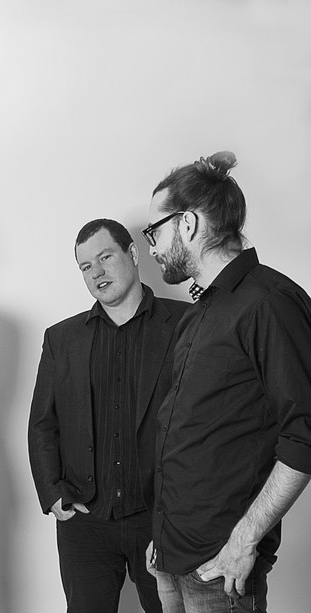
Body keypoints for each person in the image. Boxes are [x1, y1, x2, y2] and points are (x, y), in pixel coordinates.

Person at [143, 151, 311, 612]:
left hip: (221, 567)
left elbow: (305, 433)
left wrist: (244, 540)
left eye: (154, 231)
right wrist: (162, 534)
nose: (151, 247)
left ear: (188, 224)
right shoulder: (199, 312)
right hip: (171, 556)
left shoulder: (270, 302)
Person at [28, 218, 188, 613]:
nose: (97, 272)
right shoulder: (61, 338)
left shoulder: (187, 323)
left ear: (132, 254)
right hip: (85, 523)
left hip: (162, 517)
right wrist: (53, 495)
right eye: (86, 266)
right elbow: (43, 424)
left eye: (105, 257)